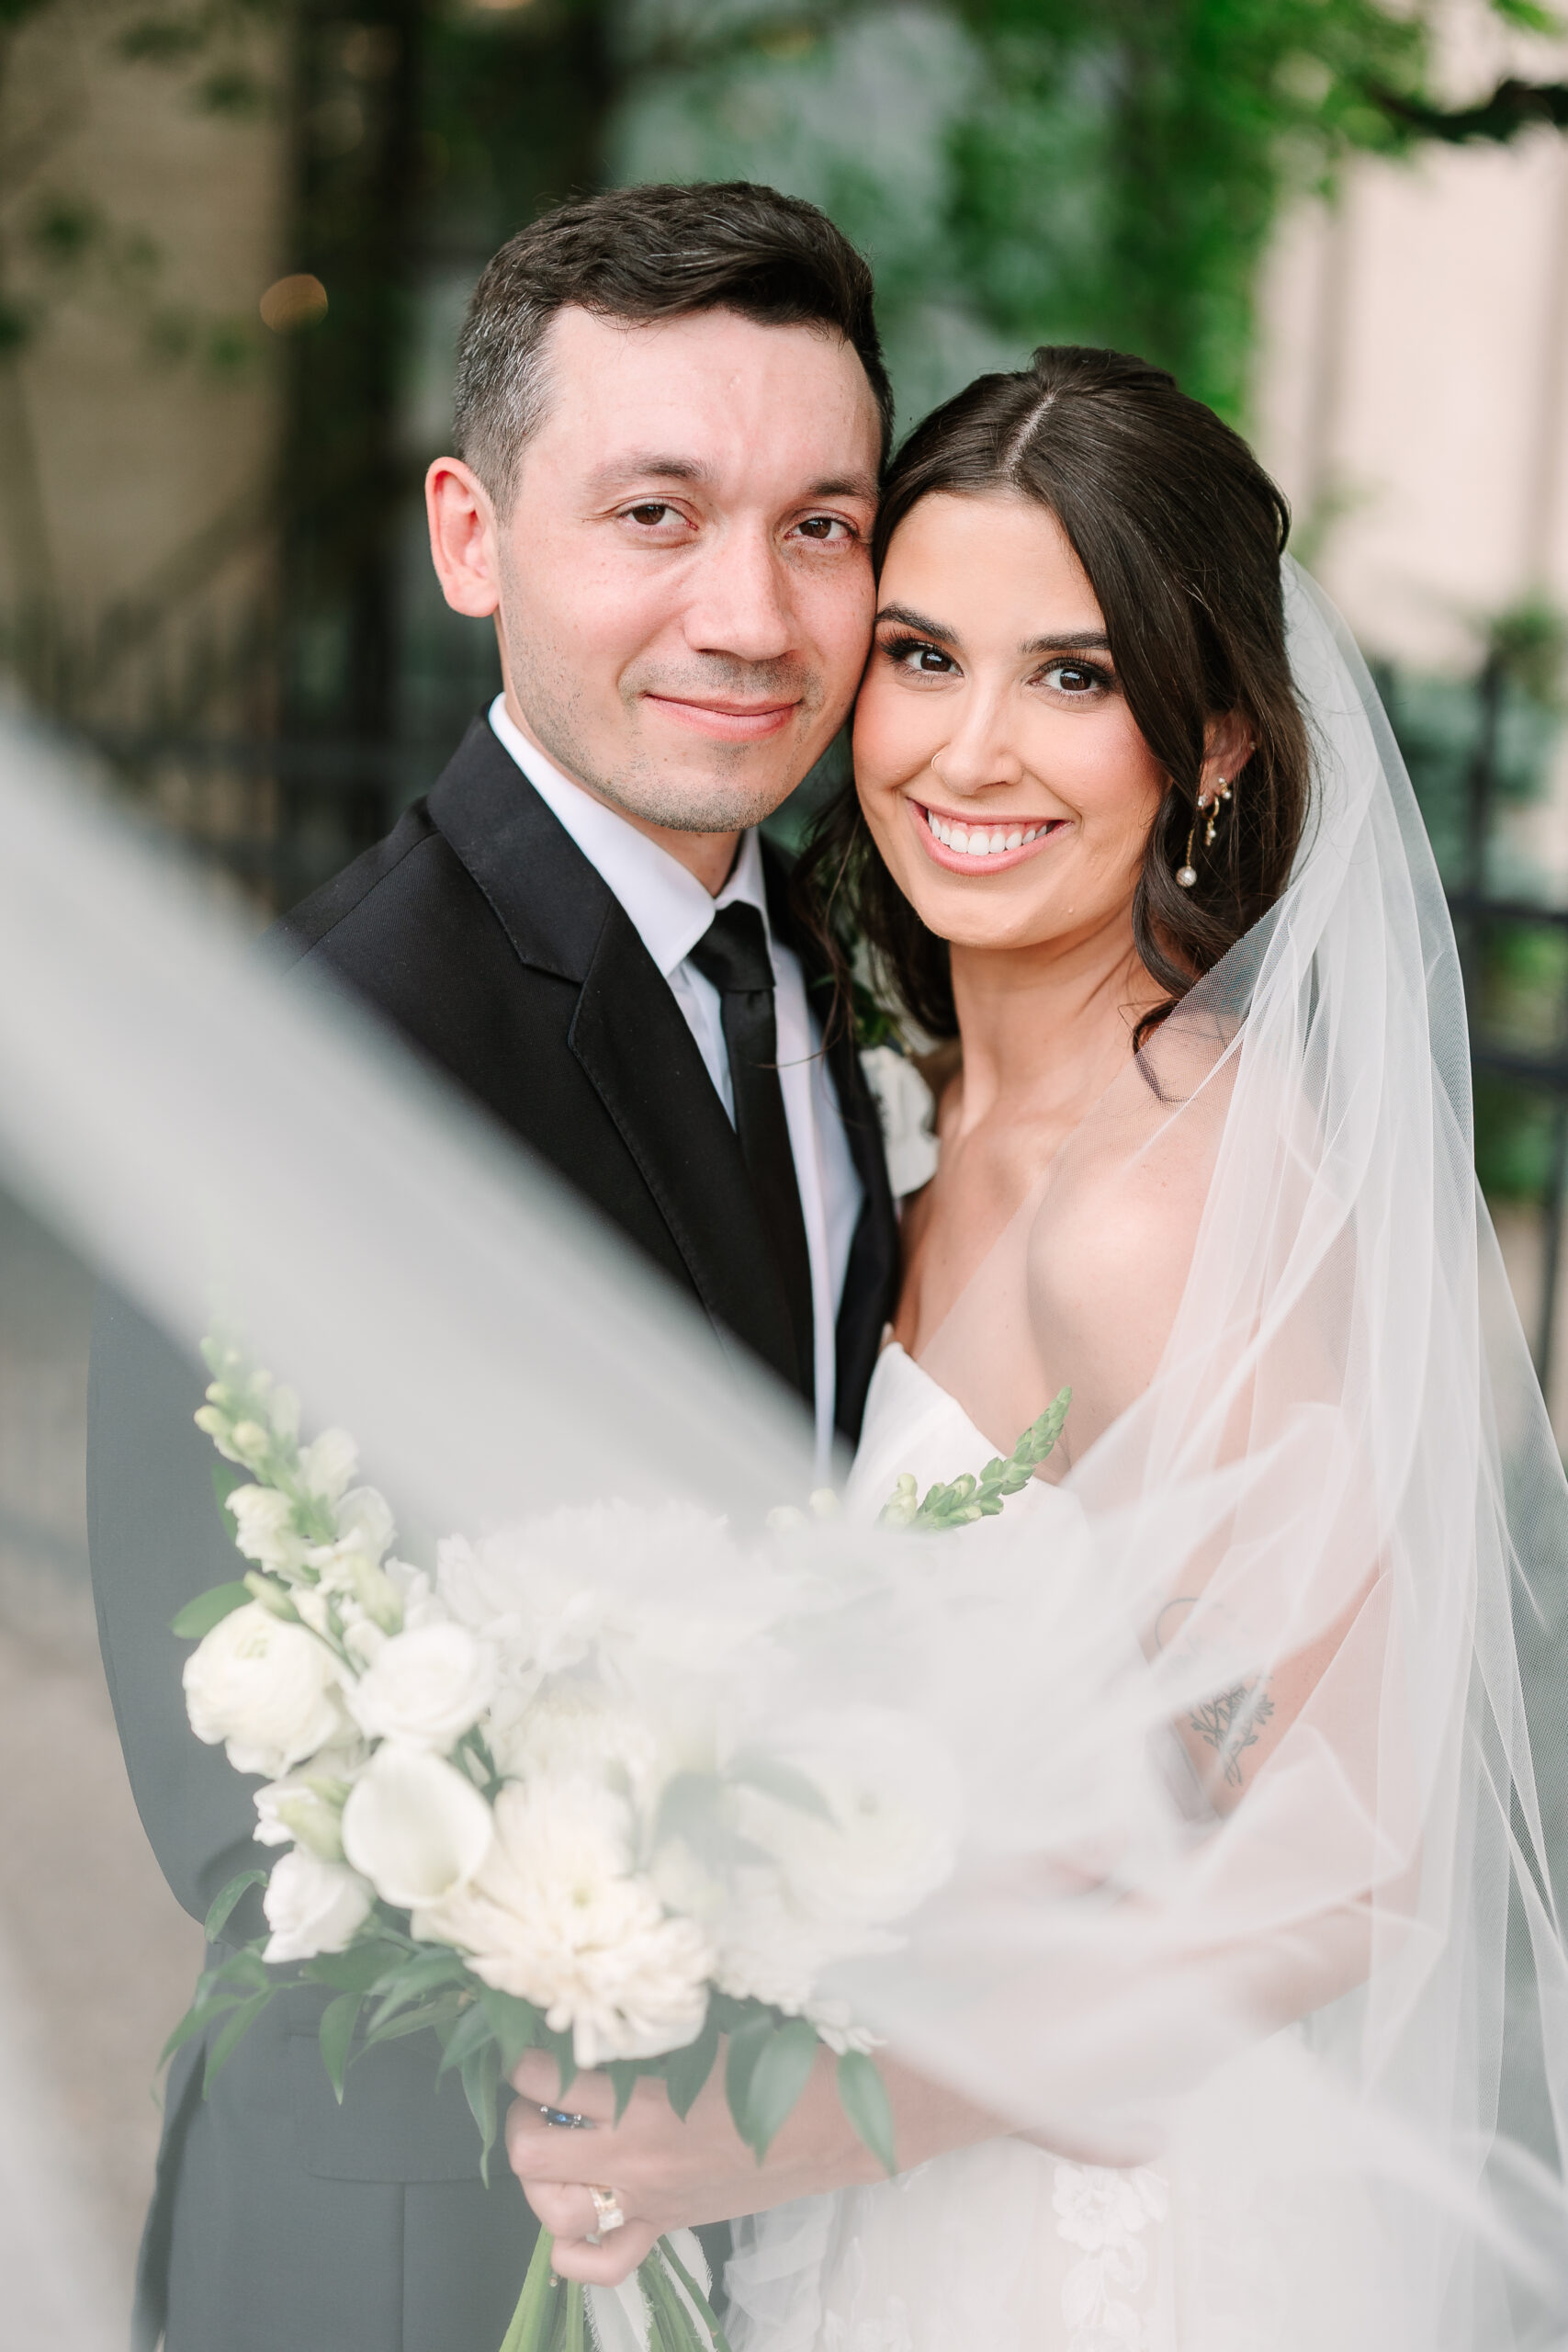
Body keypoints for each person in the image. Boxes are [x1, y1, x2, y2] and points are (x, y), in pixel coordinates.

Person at [499, 348, 1568, 2346]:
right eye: (918, 654)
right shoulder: (898, 1102)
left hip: (1078, 2246)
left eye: (1069, 677)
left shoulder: (1163, 1195)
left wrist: (787, 2131)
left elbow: (1333, 1858)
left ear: (1217, 739)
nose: (964, 749)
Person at [86, 181, 900, 2352]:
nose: (750, 607)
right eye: (655, 510)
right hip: (424, 2245)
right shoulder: (312, 1057)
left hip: (768, 2207)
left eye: (820, 524)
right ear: (472, 538)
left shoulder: (821, 964)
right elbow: (242, 1792)